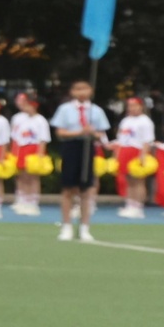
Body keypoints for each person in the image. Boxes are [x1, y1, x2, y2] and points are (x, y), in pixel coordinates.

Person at [47, 80, 107, 244]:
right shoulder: (65, 109)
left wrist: (92, 133)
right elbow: (60, 132)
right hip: (70, 147)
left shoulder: (96, 110)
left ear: (91, 91)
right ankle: (66, 226)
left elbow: (101, 133)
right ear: (72, 92)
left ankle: (84, 228)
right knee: (68, 188)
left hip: (87, 147)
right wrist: (78, 132)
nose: (81, 92)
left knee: (86, 190)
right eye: (77, 89)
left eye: (85, 89)